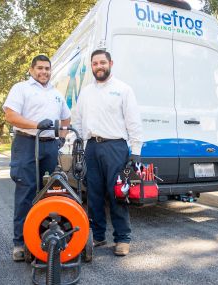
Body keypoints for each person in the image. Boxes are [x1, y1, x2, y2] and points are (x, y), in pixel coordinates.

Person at [73, 49, 143, 256]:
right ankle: (98, 236)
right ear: (92, 66)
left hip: (116, 147)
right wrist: (75, 145)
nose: (99, 66)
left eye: (102, 62)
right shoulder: (85, 92)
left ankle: (122, 239)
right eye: (95, 63)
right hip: (92, 147)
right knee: (93, 194)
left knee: (117, 194)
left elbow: (133, 122)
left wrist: (136, 152)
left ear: (110, 63)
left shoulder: (123, 89)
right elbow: (77, 120)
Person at [3, 54, 71, 261]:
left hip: (50, 146)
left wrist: (61, 138)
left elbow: (66, 118)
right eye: (40, 68)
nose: (44, 72)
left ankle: (45, 237)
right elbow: (10, 115)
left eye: (47, 69)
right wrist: (35, 124)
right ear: (32, 70)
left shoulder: (57, 93)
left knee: (51, 192)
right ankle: (19, 243)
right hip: (26, 144)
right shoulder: (21, 88)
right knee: (26, 192)